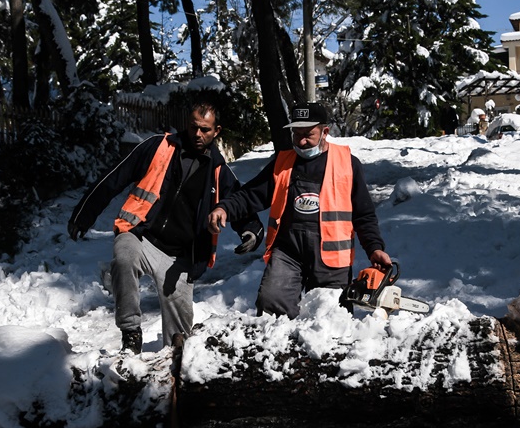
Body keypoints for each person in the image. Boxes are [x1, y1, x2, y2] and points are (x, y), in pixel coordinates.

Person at [67, 101, 263, 353]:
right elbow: (114, 176)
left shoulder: (218, 170)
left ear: (217, 131)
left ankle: (173, 371)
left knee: (179, 340)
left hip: (181, 257)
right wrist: (83, 215)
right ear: (187, 124)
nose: (198, 134)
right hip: (141, 237)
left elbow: (238, 199)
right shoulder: (159, 146)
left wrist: (252, 230)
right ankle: (131, 333)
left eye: (205, 129)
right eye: (193, 127)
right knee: (124, 258)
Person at [207, 102, 392, 319]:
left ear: (325, 132)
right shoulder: (282, 163)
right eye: (296, 134)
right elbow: (251, 195)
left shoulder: (347, 164)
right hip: (288, 253)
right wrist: (224, 208)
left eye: (308, 134)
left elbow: (364, 214)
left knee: (330, 319)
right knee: (271, 306)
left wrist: (374, 248)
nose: (301, 141)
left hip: (331, 259)